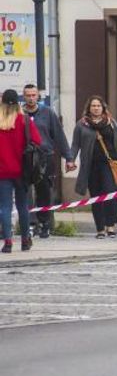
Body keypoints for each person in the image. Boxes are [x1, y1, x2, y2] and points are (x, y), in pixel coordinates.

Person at [21, 84, 73, 240]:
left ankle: (45, 223)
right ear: (24, 97)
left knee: (44, 190)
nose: (31, 98)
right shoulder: (20, 113)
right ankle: (31, 223)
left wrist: (68, 157)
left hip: (44, 157)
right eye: (28, 95)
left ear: (38, 96)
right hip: (25, 157)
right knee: (26, 191)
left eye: (33, 95)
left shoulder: (47, 113)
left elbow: (59, 135)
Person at [71, 96, 117, 238]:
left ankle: (110, 226)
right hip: (91, 165)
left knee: (110, 193)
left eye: (98, 106)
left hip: (109, 165)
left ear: (103, 107)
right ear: (89, 108)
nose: (96, 108)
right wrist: (70, 160)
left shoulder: (111, 123)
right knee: (96, 197)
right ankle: (100, 229)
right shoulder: (82, 124)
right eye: (93, 106)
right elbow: (75, 144)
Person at [0, 90, 43, 254]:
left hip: (2, 171)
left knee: (4, 207)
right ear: (18, 102)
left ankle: (8, 242)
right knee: (23, 205)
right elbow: (37, 141)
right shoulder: (24, 120)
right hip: (22, 170)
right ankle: (25, 240)